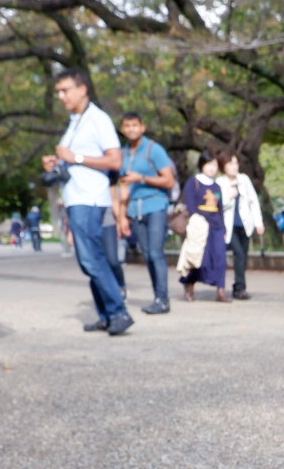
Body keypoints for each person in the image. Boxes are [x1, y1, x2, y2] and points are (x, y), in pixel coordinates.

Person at [43, 69, 132, 335]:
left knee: (91, 259)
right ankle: (106, 314)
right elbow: (73, 157)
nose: (61, 96)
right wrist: (58, 161)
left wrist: (75, 158)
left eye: (65, 90)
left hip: (90, 199)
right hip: (76, 198)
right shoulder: (76, 121)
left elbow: (115, 161)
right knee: (91, 259)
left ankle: (119, 311)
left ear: (82, 89)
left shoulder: (98, 119)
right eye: (58, 91)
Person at [115, 111, 175, 313]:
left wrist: (142, 178)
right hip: (135, 210)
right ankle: (157, 296)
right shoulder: (123, 154)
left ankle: (163, 299)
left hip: (155, 206)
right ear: (123, 129)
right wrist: (122, 217)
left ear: (142, 127)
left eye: (134, 125)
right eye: (127, 126)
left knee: (156, 252)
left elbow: (169, 180)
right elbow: (123, 187)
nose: (131, 129)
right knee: (147, 255)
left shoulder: (154, 150)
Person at [176, 152, 228, 303]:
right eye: (209, 165)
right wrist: (201, 219)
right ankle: (189, 283)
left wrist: (223, 227)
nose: (212, 168)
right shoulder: (194, 182)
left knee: (220, 258)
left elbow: (220, 208)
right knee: (198, 258)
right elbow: (191, 205)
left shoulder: (217, 185)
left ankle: (221, 290)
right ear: (202, 165)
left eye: (214, 165)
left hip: (216, 226)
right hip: (200, 226)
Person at [218, 152, 263, 300]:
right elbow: (217, 205)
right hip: (229, 226)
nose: (234, 167)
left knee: (243, 257)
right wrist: (228, 197)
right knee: (239, 254)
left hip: (245, 224)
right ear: (223, 167)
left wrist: (258, 223)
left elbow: (253, 201)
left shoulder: (244, 180)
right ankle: (239, 288)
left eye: (236, 163)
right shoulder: (220, 182)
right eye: (230, 164)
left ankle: (239, 286)